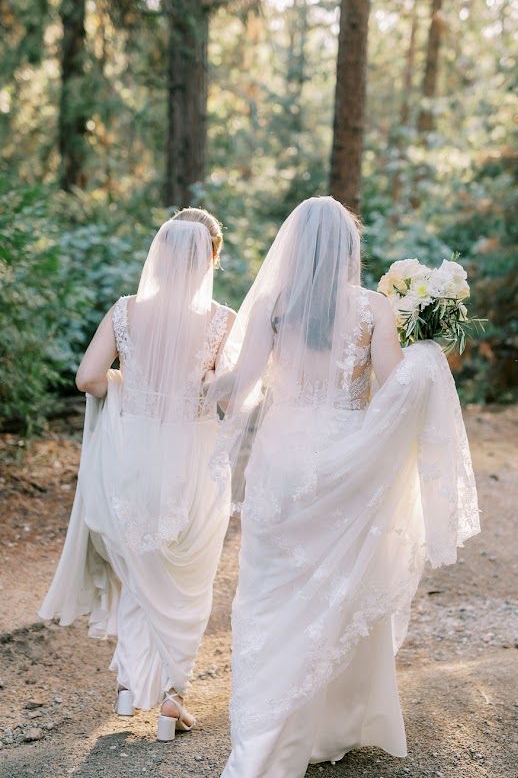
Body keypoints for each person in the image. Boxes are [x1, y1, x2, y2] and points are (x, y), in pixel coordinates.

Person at [209, 196, 480, 778]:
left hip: (280, 466)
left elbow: (243, 384)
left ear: (295, 246)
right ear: (348, 248)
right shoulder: (374, 308)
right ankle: (329, 725)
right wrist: (426, 356)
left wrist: (197, 390)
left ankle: (266, 735)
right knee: (340, 587)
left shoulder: (273, 306)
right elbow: (389, 389)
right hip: (344, 463)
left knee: (270, 597)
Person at [39, 208, 236, 742]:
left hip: (133, 455)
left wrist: (131, 389)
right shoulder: (222, 320)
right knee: (186, 579)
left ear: (161, 254)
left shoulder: (126, 311)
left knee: (139, 567)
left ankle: (129, 686)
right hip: (193, 459)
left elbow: (87, 379)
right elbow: (230, 395)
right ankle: (172, 699)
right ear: (212, 256)